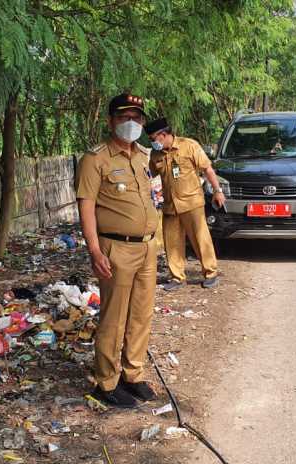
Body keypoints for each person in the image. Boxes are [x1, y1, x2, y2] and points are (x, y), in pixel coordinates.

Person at [76, 93, 160, 409]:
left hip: (147, 247)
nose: (131, 123)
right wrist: (95, 251)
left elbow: (152, 196)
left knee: (141, 314)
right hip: (116, 248)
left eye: (137, 117)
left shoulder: (143, 156)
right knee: (114, 317)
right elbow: (86, 206)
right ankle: (106, 382)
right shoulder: (95, 159)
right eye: (124, 117)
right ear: (110, 121)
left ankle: (132, 374)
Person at [144, 117, 225, 290]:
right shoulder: (155, 154)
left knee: (200, 238)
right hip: (170, 205)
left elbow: (207, 169)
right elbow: (148, 175)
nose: (152, 143)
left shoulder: (189, 146)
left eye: (153, 139)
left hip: (192, 203)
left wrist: (218, 191)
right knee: (172, 243)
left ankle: (211, 273)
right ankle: (177, 277)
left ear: (163, 135)